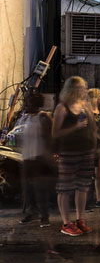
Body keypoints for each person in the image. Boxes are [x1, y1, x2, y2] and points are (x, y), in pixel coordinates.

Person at [51, 76, 97, 236]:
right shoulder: (62, 108)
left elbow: (92, 128)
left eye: (85, 87)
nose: (84, 90)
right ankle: (66, 223)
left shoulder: (85, 106)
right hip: (69, 152)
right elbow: (55, 133)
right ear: (71, 89)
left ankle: (80, 219)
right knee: (65, 188)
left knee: (83, 186)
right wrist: (75, 127)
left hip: (87, 151)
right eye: (81, 87)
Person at [17, 93, 54, 228]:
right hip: (26, 157)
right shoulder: (24, 117)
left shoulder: (43, 117)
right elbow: (17, 133)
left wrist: (49, 153)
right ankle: (32, 212)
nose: (26, 105)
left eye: (29, 103)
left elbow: (50, 136)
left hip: (40, 156)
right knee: (28, 188)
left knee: (40, 188)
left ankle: (44, 216)